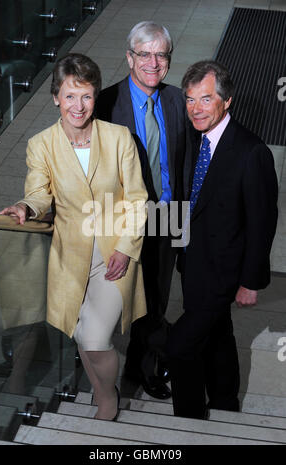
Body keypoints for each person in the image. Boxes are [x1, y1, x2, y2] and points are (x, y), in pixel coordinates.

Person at [0, 53, 148, 421]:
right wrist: (24, 207)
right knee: (82, 336)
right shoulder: (41, 145)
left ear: (95, 97)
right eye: (69, 96)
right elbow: (38, 194)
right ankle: (102, 391)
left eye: (86, 96)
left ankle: (108, 400)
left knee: (96, 339)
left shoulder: (118, 139)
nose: (77, 106)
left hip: (115, 258)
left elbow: (138, 199)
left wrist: (127, 250)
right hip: (70, 261)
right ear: (55, 97)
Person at [166, 60, 279, 419]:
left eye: (205, 99)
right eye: (189, 100)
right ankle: (225, 404)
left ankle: (190, 420)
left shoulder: (251, 152)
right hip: (194, 264)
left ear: (226, 101)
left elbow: (263, 222)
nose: (196, 109)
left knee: (180, 347)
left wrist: (250, 282)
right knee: (219, 339)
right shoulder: (192, 140)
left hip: (225, 273)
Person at [96, 21, 186, 400]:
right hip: (119, 222)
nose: (153, 62)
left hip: (168, 216)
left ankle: (142, 369)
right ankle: (99, 373)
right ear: (129, 57)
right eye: (144, 54)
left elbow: (189, 162)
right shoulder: (103, 104)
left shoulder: (179, 100)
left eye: (161, 54)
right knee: (111, 302)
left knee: (156, 299)